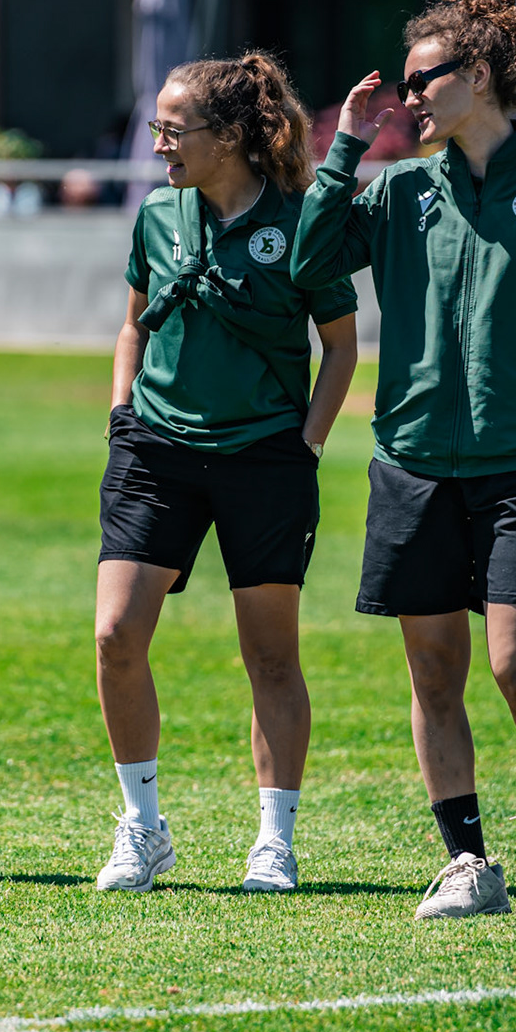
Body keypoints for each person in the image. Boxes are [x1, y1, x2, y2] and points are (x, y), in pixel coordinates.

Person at [292, 0, 516, 918]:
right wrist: (345, 149)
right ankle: (466, 863)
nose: (406, 95)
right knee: (434, 675)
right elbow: (306, 262)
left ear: (477, 76)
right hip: (410, 462)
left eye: (420, 80)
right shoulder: (402, 190)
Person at [95, 52, 360, 894]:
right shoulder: (156, 215)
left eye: (176, 129)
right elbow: (133, 324)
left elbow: (342, 346)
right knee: (114, 636)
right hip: (155, 450)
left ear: (234, 135)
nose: (160, 143)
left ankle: (273, 841)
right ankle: (142, 829)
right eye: (157, 127)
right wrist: (122, 415)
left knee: (270, 659)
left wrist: (306, 447)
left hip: (265, 459)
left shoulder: (302, 220)